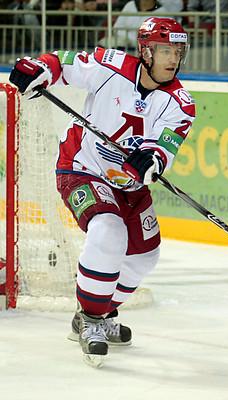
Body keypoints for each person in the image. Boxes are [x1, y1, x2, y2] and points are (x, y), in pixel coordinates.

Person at [8, 17, 196, 366]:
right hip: (83, 167)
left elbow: (165, 146)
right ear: (145, 50)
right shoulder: (110, 65)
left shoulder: (181, 103)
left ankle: (101, 312)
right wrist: (39, 68)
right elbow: (63, 64)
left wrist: (153, 159)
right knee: (108, 230)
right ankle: (90, 320)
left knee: (145, 255)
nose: (173, 58)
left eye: (177, 51)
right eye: (165, 50)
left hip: (129, 187)